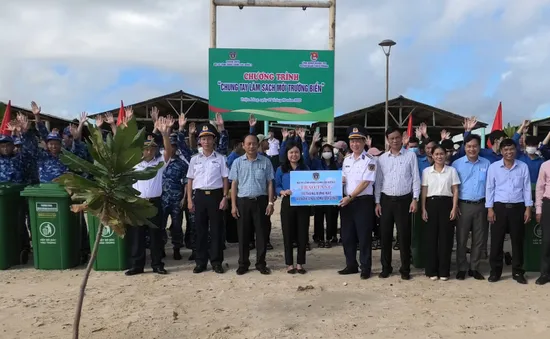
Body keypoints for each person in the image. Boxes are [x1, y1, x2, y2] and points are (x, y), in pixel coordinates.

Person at [125, 117, 172, 276]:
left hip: (154, 204)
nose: (149, 151)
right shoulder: (133, 165)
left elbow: (168, 152)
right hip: (138, 204)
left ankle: (157, 264)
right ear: (141, 150)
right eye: (146, 148)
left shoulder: (159, 165)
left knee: (156, 236)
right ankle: (136, 265)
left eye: (152, 148)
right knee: (136, 236)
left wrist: (165, 134)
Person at [375, 127, 420, 280]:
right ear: (387, 140)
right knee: (385, 236)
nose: (394, 141)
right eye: (391, 138)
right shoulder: (382, 159)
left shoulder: (410, 156)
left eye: (397, 137)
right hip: (386, 201)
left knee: (404, 236)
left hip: (405, 201)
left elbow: (415, 178)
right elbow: (379, 182)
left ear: (402, 137)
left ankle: (405, 269)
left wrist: (415, 199)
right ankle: (386, 267)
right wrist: (377, 202)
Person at [485, 138, 532, 284]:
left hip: (518, 207)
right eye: (505, 149)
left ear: (515, 150)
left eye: (511, 149)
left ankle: (518, 272)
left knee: (517, 241)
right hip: (499, 207)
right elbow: (489, 188)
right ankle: (495, 272)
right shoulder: (493, 167)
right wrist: (490, 209)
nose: (509, 152)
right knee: (496, 241)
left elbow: (526, 188)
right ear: (501, 151)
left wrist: (528, 208)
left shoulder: (523, 166)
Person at [230, 134, 275, 275]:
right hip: (243, 202)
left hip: (261, 201)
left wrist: (270, 202)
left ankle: (261, 263)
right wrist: (233, 205)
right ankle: (243, 263)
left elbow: (269, 183)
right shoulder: (237, 162)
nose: (251, 146)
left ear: (258, 145)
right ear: (243, 145)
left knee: (261, 234)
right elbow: (234, 184)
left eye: (254, 143)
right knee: (243, 234)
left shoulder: (266, 162)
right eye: (248, 144)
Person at [338, 125, 377, 279]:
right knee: (347, 235)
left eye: (358, 141)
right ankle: (351, 265)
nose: (355, 144)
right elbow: (343, 179)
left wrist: (350, 197)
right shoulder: (346, 160)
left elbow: (366, 182)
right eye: (352, 141)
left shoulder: (370, 160)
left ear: (364, 142)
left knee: (364, 236)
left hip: (362, 202)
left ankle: (365, 267)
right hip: (347, 202)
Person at [452, 134, 490, 280]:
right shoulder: (457, 164)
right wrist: (455, 206)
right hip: (463, 205)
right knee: (461, 238)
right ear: (464, 147)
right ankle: (461, 267)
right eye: (468, 146)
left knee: (479, 239)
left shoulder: (486, 164)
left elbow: (490, 186)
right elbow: (453, 187)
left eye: (474, 146)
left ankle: (474, 268)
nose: (472, 149)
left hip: (481, 204)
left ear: (479, 147)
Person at [421, 145, 460, 281]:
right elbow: (424, 191)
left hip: (446, 204)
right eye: (436, 154)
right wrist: (423, 208)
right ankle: (431, 270)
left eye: (441, 154)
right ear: (432, 156)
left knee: (446, 239)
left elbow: (455, 190)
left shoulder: (452, 171)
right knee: (431, 239)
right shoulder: (426, 171)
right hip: (431, 204)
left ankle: (444, 271)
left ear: (446, 155)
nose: (439, 156)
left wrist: (454, 208)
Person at [275, 141, 310, 274]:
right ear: (287, 154)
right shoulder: (281, 169)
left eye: (296, 152)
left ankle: (300, 263)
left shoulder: (305, 168)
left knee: (302, 233)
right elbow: (277, 185)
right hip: (287, 203)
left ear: (300, 153)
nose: (294, 155)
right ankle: (289, 263)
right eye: (291, 152)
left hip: (302, 203)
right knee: (288, 233)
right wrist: (283, 192)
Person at [161, 113, 192, 261]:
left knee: (177, 226)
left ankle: (176, 248)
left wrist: (184, 199)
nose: (172, 148)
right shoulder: (161, 161)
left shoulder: (181, 163)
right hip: (162, 199)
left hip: (176, 199)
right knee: (161, 225)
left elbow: (186, 182)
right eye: (170, 145)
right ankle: (160, 248)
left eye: (174, 146)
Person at [311, 143, 341, 248]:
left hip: (332, 197)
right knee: (318, 218)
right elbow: (308, 157)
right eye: (324, 151)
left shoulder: (336, 165)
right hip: (319, 196)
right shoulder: (317, 164)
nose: (326, 153)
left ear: (332, 153)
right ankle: (319, 237)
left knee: (331, 217)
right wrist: (312, 143)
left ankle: (329, 237)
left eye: (328, 151)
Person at [535, 159, 550, 285]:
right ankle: (545, 273)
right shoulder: (545, 165)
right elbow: (539, 188)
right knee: (547, 240)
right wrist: (539, 209)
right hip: (548, 204)